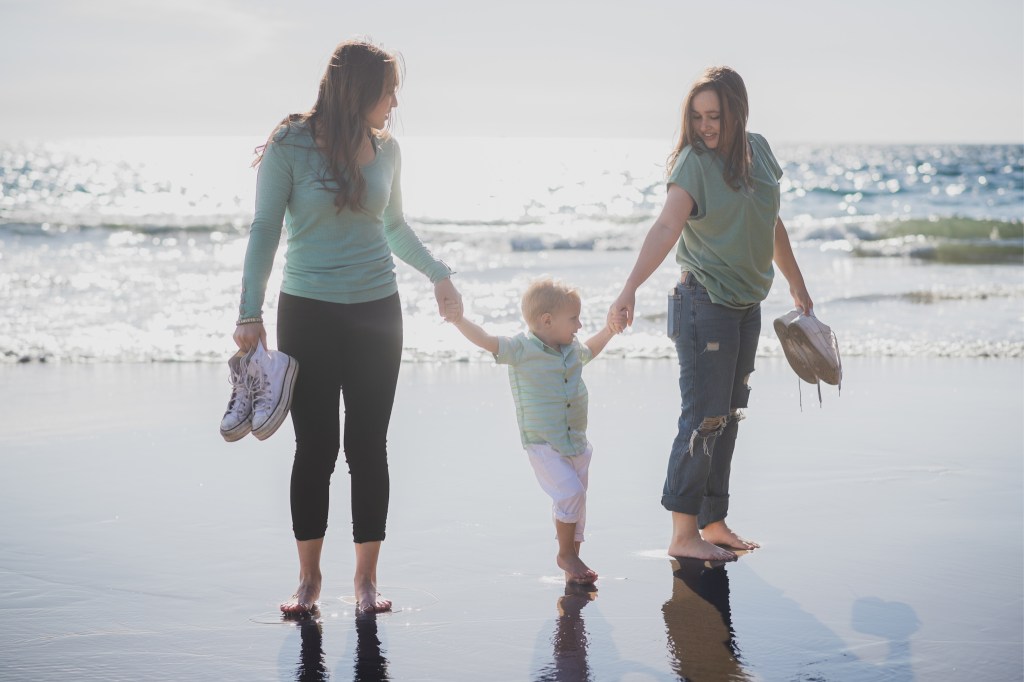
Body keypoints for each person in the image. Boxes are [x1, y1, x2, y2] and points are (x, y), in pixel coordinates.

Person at [232, 38, 462, 615]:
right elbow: (265, 229)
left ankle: (364, 581)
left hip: (377, 314)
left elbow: (396, 227)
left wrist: (439, 274)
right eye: (389, 92)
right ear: (359, 90)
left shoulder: (387, 151)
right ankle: (308, 581)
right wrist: (248, 311)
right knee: (315, 447)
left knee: (368, 445)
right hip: (307, 311)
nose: (394, 103)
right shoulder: (290, 143)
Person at [607, 66, 813, 562]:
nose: (705, 126)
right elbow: (664, 228)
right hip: (703, 304)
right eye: (697, 116)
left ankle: (713, 522)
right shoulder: (692, 165)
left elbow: (771, 221)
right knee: (704, 417)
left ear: (737, 113)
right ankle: (682, 534)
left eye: (714, 116)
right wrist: (629, 287)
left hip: (745, 305)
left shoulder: (758, 151)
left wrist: (797, 283)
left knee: (730, 415)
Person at [446, 279, 619, 583]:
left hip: (576, 441)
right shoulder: (520, 348)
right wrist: (459, 319)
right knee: (570, 493)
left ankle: (573, 563)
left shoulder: (570, 349)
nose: (579, 325)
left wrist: (609, 330)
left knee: (576, 503)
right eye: (574, 319)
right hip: (543, 443)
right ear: (547, 320)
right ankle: (565, 555)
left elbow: (589, 351)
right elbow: (486, 340)